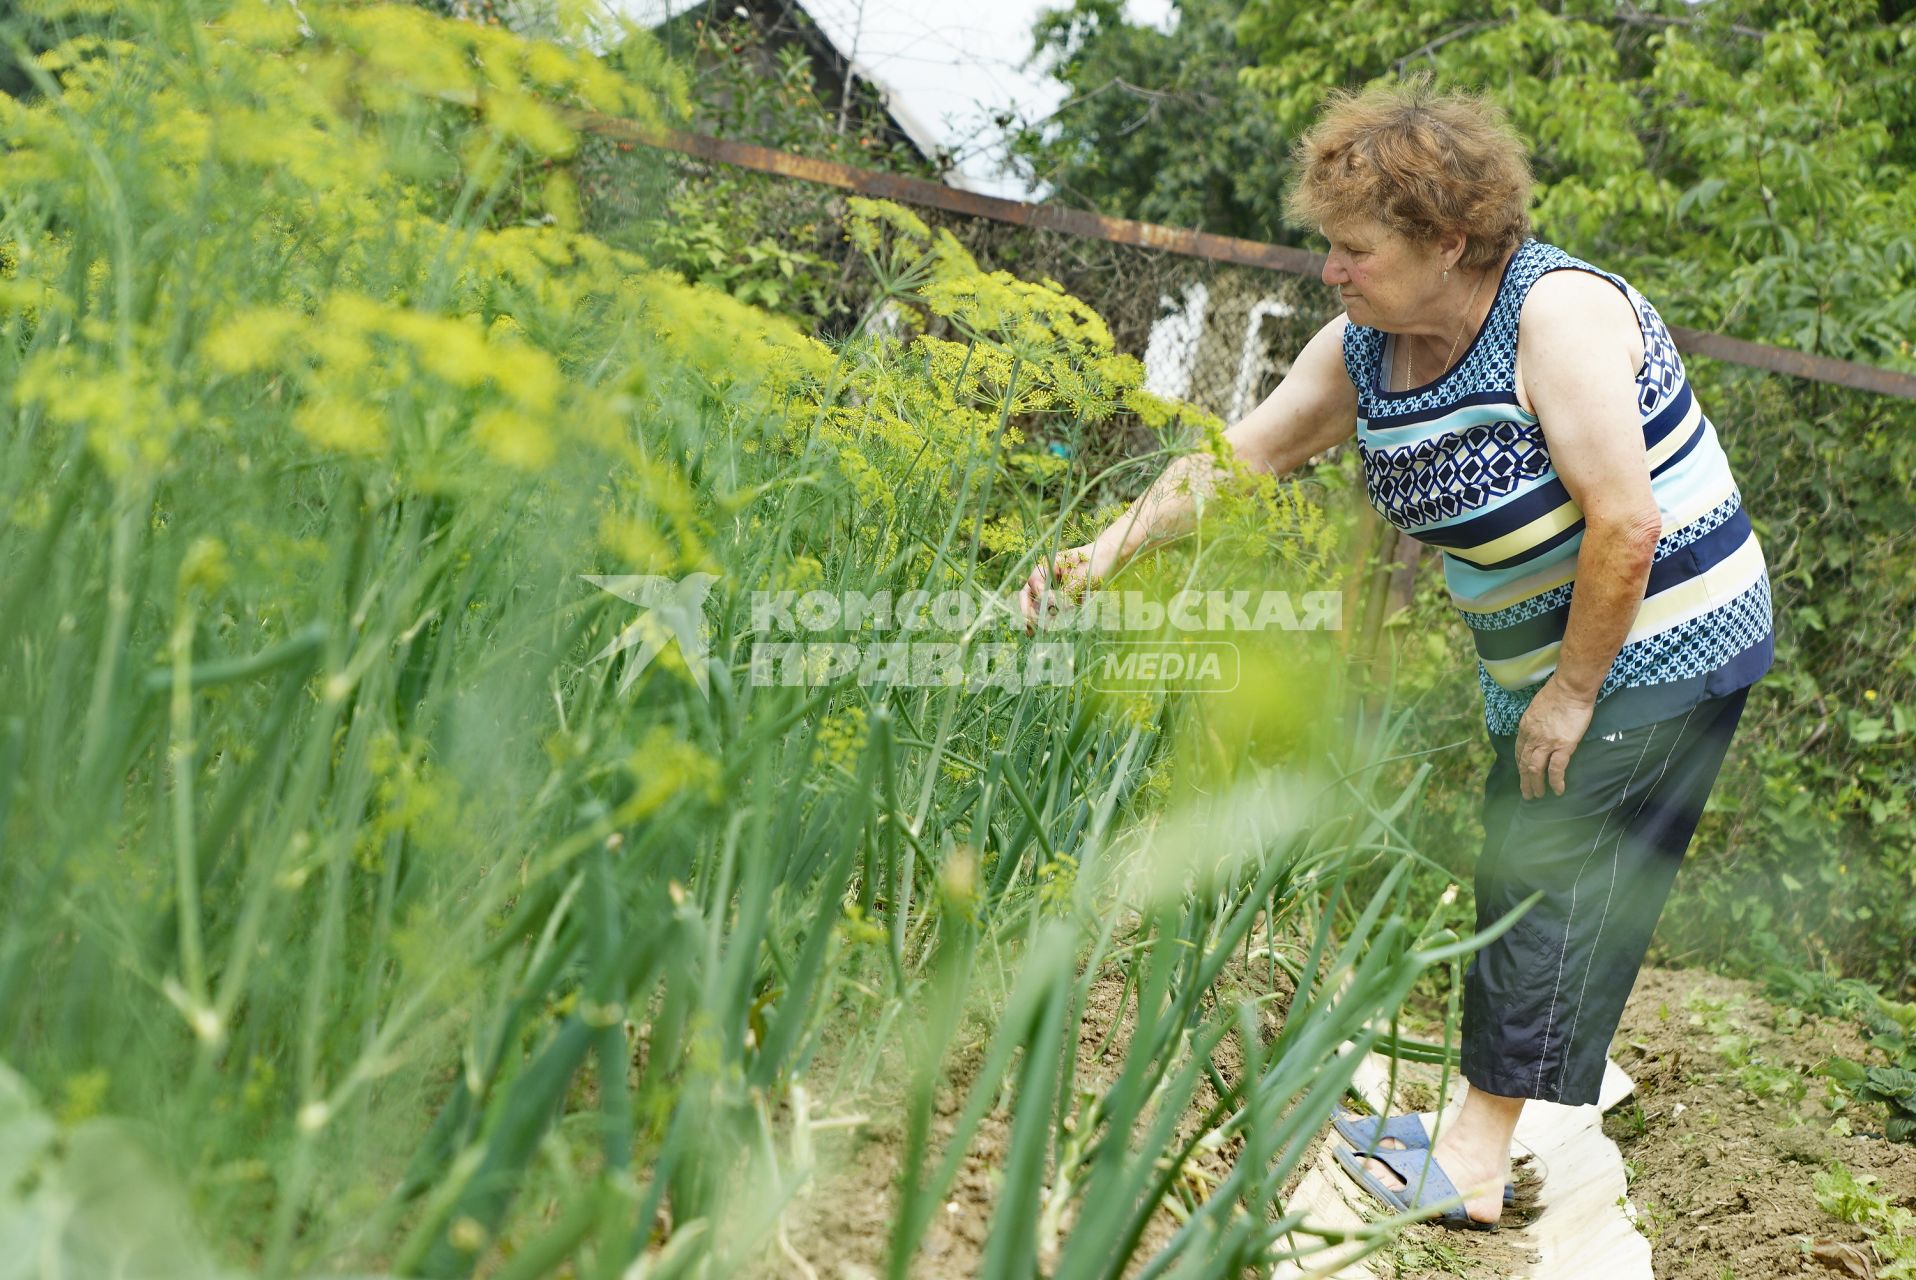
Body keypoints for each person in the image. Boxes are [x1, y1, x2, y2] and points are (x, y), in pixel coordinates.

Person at [1018, 81, 1774, 1228]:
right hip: (1553, 657)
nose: (1330, 270)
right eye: (1327, 245)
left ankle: (1471, 1159)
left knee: (1549, 863)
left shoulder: (1552, 319)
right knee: (1524, 851)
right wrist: (1101, 551)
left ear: (1449, 242)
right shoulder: (1366, 348)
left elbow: (1625, 521)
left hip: (1667, 631)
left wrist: (1571, 693)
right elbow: (1240, 456)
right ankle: (1477, 1128)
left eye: (1353, 249)